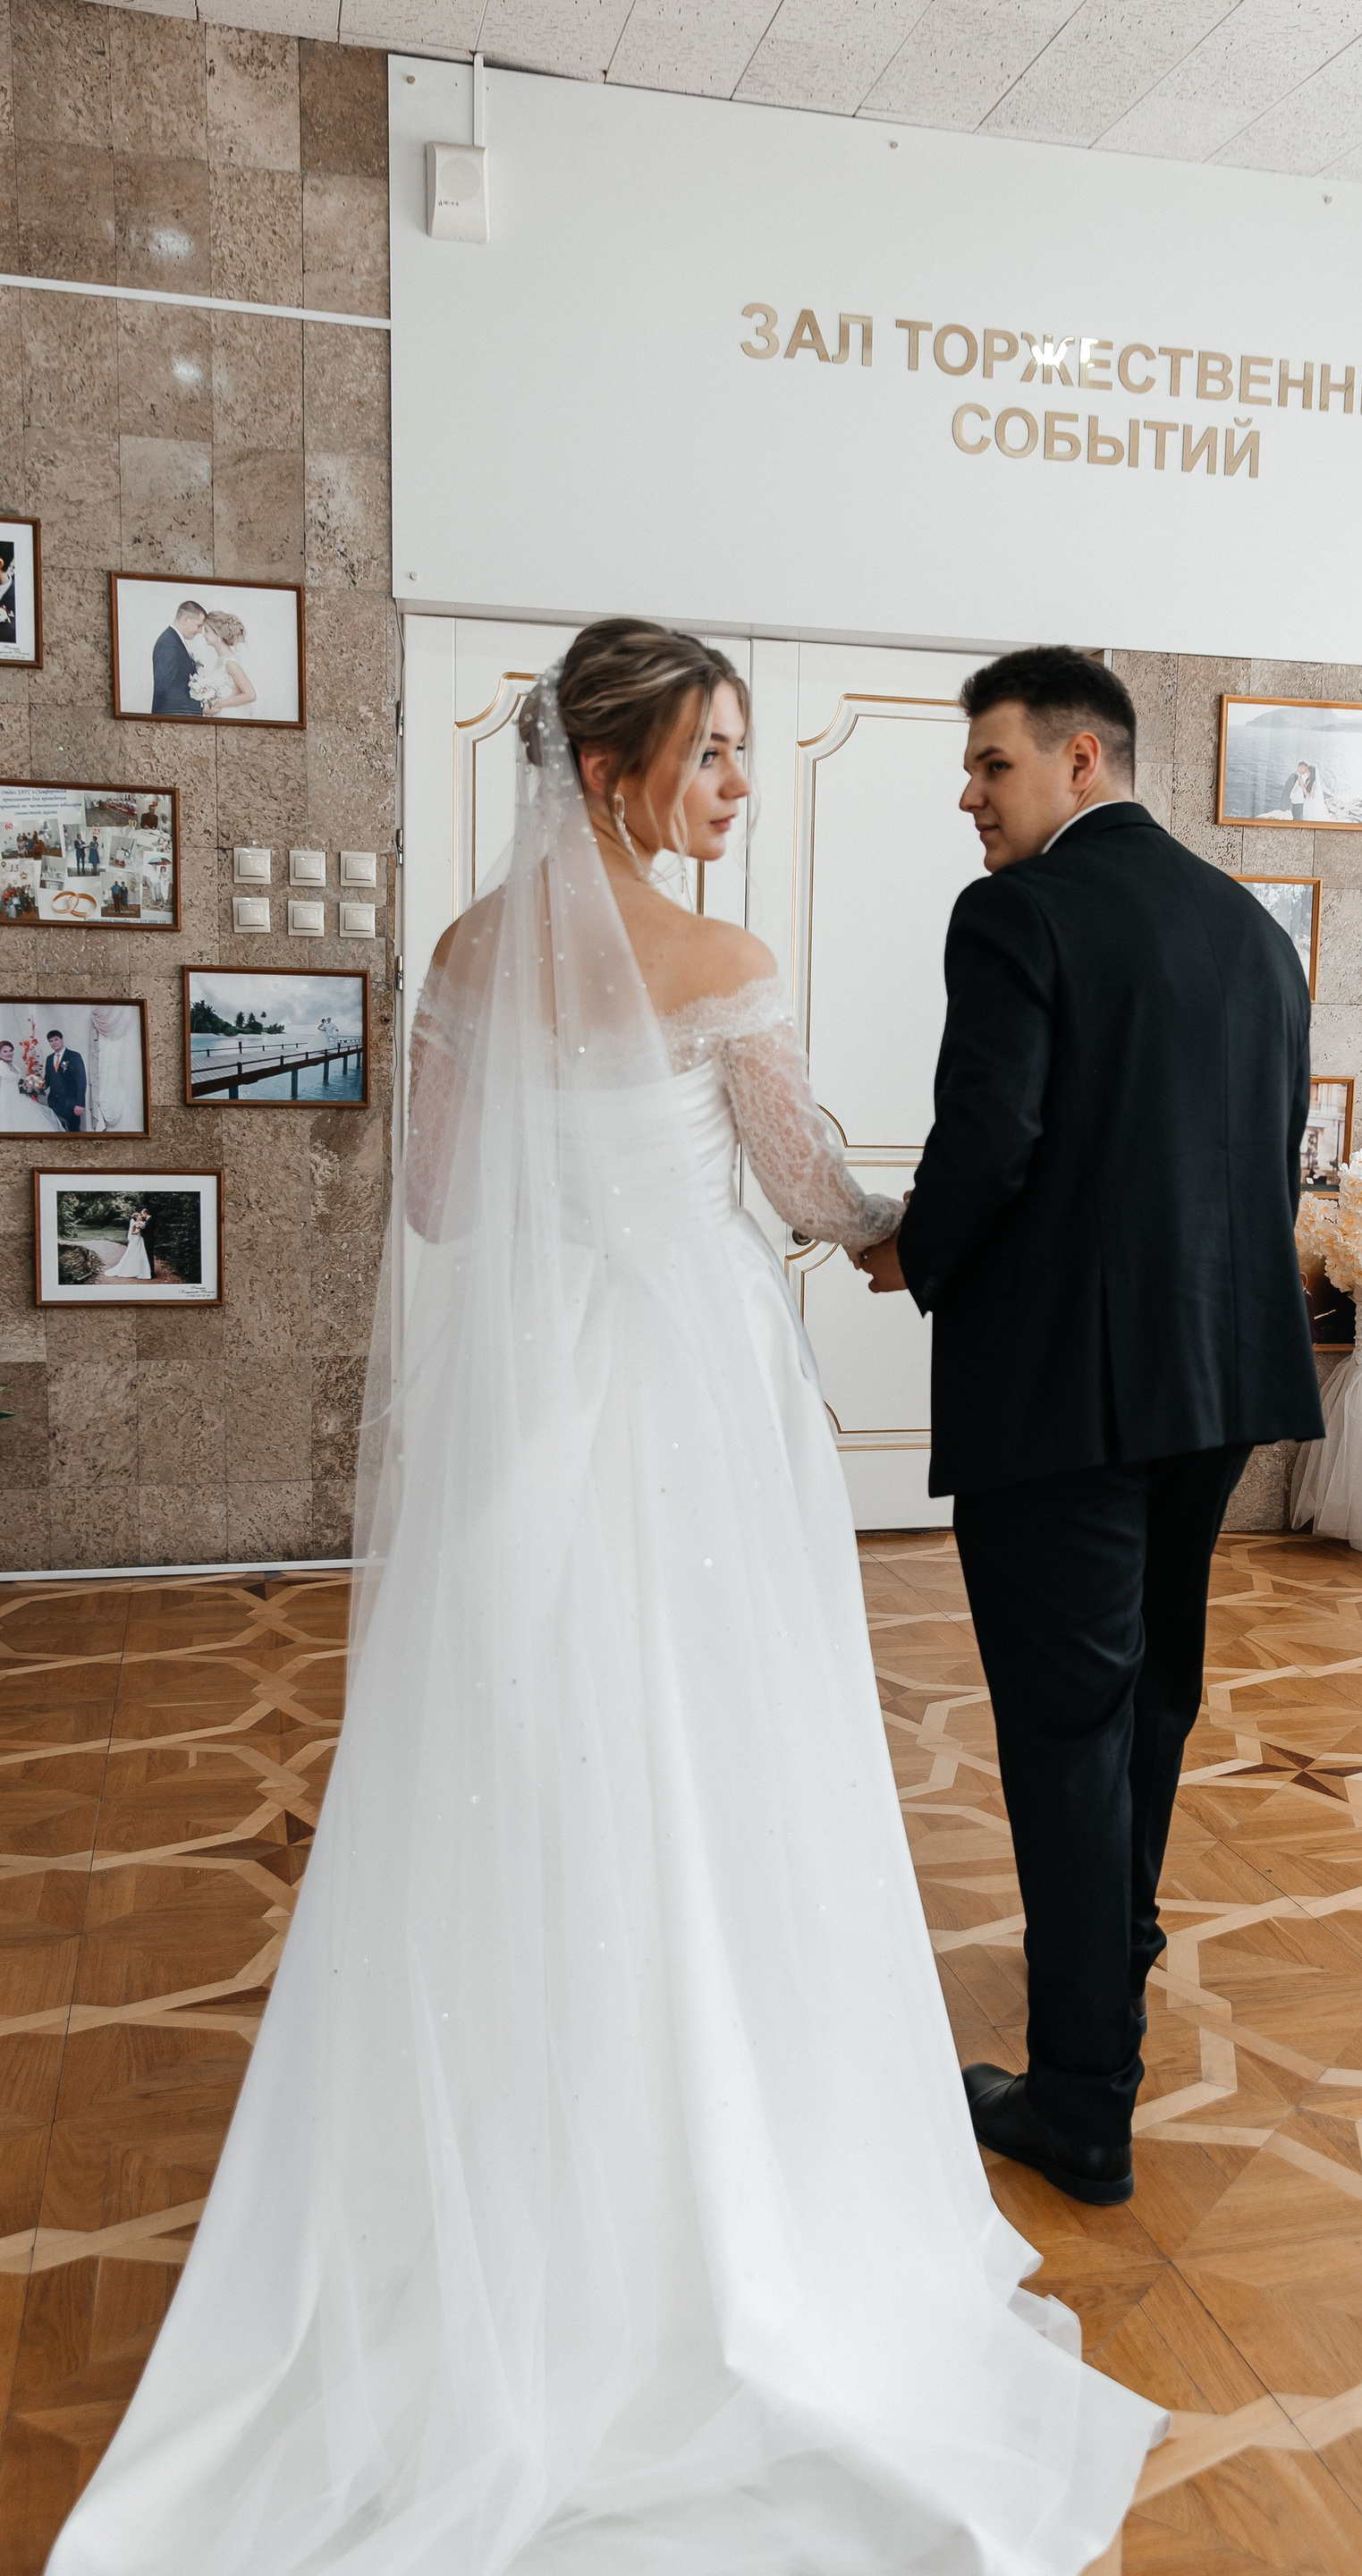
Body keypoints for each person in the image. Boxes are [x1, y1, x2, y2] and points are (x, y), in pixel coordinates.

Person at [46, 621, 1160, 2576]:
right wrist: (903, 1232)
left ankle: (515, 2182)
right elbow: (806, 1188)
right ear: (611, 771)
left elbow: (440, 1206)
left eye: (739, 751)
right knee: (721, 1764)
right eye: (710, 753)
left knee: (534, 1754)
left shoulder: (468, 958)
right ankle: (727, 2182)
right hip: (701, 1414)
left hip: (536, 1418)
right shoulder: (722, 968)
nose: (732, 786)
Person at [860, 646, 1324, 2207]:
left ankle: (1079, 2103)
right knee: (1150, 1699)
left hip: (1062, 1393)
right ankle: (1111, 1955)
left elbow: (992, 1138)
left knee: (1066, 1732)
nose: (969, 797)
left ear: (1081, 760)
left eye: (990, 764)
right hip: (1220, 1378)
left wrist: (912, 1251)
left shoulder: (1017, 914)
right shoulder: (1253, 931)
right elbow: (1260, 1152)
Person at [189, 607, 259, 715]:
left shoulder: (230, 662)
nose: (203, 635)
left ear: (218, 634)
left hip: (231, 714)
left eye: (206, 630)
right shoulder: (221, 660)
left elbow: (251, 695)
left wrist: (219, 703)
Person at [150, 598, 207, 716]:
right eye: (199, 625)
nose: (200, 631)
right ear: (186, 620)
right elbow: (166, 691)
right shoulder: (168, 644)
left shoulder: (174, 640)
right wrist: (200, 708)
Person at [41, 1028, 86, 1131]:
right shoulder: (49, 1059)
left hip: (71, 1104)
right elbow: (48, 1079)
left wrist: (80, 1104)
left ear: (62, 1039)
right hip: (54, 1103)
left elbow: (81, 1081)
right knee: (57, 1131)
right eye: (51, 1041)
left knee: (73, 1132)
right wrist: (35, 1086)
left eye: (56, 1039)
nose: (54, 1043)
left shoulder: (74, 1056)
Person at [101, 1207, 151, 1282]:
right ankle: (132, 1269)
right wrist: (138, 1231)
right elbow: (132, 1233)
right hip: (136, 1239)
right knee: (134, 1252)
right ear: (136, 1217)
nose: (140, 1216)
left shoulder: (141, 1223)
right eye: (139, 1215)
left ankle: (141, 1269)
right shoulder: (134, 1224)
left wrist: (141, 1229)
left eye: (140, 1215)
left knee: (141, 1253)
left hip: (140, 1239)